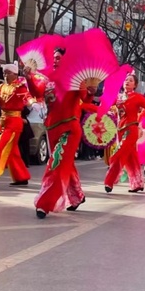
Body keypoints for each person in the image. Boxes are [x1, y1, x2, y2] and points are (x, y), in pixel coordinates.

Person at [32, 48, 97, 218]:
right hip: (52, 129)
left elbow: (85, 98)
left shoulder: (75, 78)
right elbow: (36, 93)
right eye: (53, 58)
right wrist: (27, 77)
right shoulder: (47, 79)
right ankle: (77, 197)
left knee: (56, 163)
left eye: (58, 58)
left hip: (69, 129)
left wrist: (91, 92)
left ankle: (44, 203)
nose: (55, 60)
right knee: (66, 163)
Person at [104, 73, 145, 193]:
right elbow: (106, 104)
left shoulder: (137, 97)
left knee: (117, 154)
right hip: (120, 131)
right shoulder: (119, 97)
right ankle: (137, 183)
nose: (127, 82)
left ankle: (109, 181)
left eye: (130, 80)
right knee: (131, 158)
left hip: (131, 130)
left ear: (135, 85)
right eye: (126, 80)